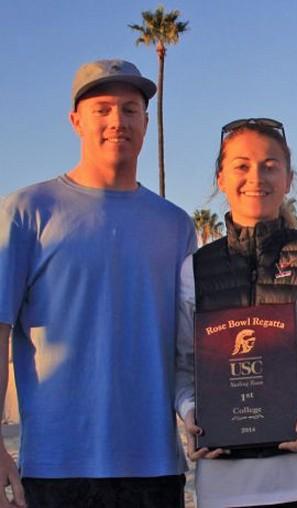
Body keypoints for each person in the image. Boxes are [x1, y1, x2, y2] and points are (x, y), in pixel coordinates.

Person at [0, 59, 196, 508]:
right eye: (102, 109)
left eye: (130, 110)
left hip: (157, 466)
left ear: (146, 123)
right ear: (75, 121)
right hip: (55, 468)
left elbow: (194, 340)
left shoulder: (176, 224)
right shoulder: (26, 211)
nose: (117, 122)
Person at [174, 117, 297, 507]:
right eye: (242, 165)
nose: (257, 176)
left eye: (270, 165)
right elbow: (184, 369)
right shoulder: (194, 270)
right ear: (221, 178)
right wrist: (191, 411)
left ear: (288, 179)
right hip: (227, 488)